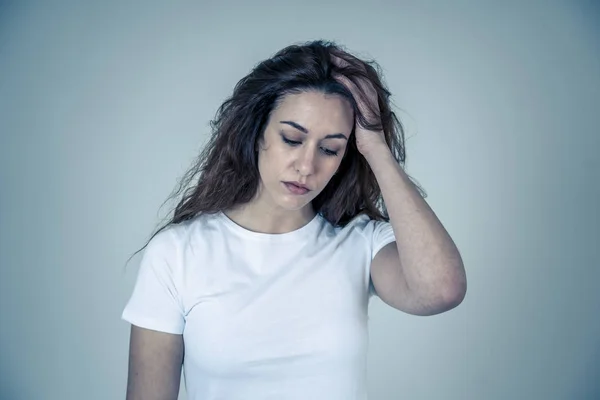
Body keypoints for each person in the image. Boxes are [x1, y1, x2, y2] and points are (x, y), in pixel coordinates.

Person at [121, 39, 467, 400]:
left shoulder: (358, 242)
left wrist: (375, 146)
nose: (306, 166)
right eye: (291, 139)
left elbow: (441, 290)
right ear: (257, 135)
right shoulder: (177, 253)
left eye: (330, 148)